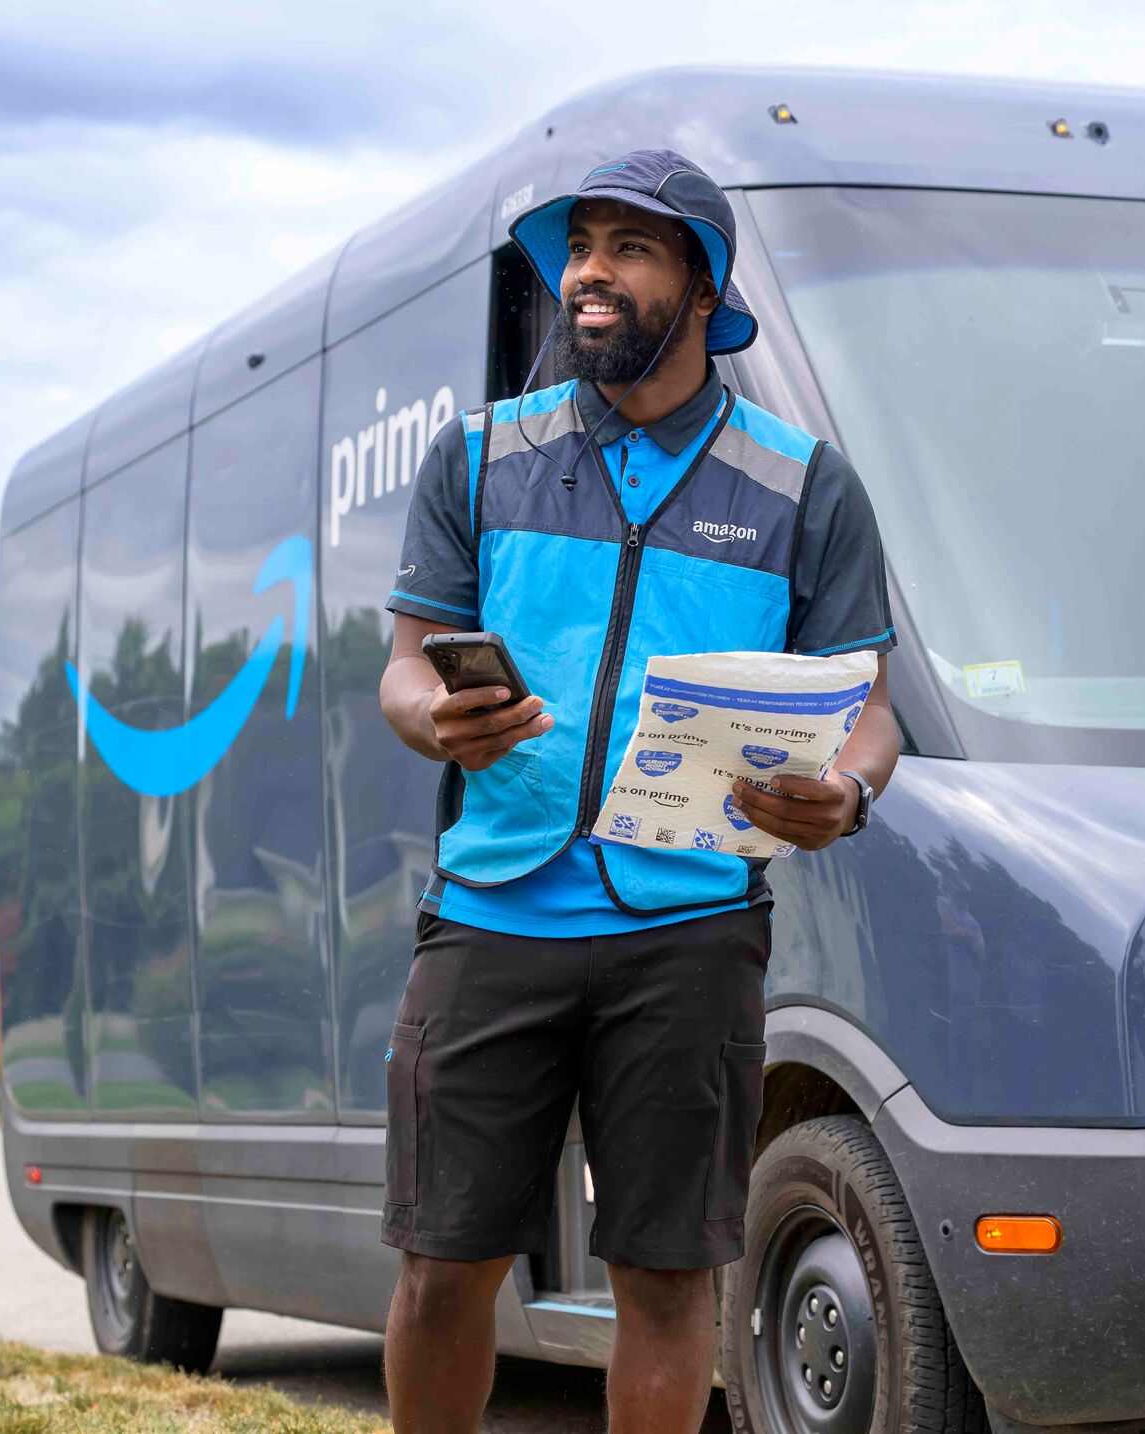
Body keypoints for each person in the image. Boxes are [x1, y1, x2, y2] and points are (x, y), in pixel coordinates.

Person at [372, 149, 900, 1434]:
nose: (588, 273)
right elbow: (400, 670)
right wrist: (439, 722)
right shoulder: (483, 453)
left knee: (667, 1280)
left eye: (629, 248)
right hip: (494, 914)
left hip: (693, 927)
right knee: (444, 1268)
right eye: (581, 247)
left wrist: (848, 792)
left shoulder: (804, 487)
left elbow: (868, 707)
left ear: (702, 287)